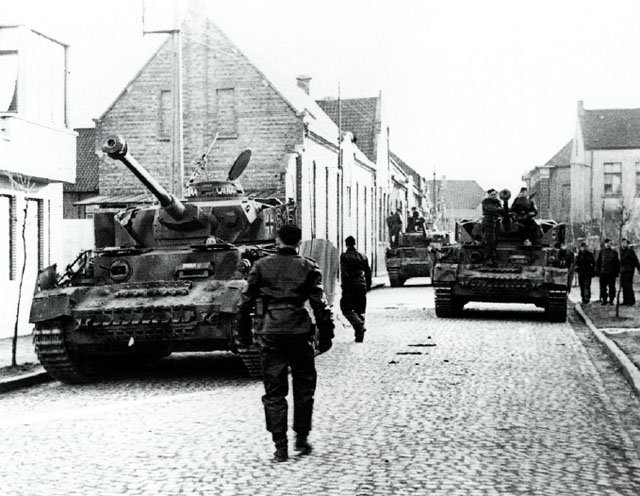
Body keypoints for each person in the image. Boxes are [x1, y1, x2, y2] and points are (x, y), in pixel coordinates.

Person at [236, 224, 335, 462]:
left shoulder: (261, 266)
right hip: (300, 331)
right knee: (304, 387)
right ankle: (301, 438)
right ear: (299, 243)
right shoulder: (308, 266)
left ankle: (280, 446)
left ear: (278, 241)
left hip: (270, 332)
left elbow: (245, 303)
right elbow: (320, 305)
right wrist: (327, 334)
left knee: (274, 390)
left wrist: (244, 335)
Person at [340, 236, 372, 343]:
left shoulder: (345, 256)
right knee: (360, 309)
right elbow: (368, 272)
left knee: (346, 308)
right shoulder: (362, 256)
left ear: (346, 244)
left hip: (350, 284)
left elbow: (344, 273)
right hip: (361, 284)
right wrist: (368, 285)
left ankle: (358, 326)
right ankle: (359, 335)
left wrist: (344, 287)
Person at [481, 188, 503, 265]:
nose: (494, 196)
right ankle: (488, 258)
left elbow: (502, 211)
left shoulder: (497, 202)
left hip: (496, 223)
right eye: (492, 195)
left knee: (495, 240)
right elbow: (491, 209)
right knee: (489, 240)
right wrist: (498, 210)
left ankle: (494, 257)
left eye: (495, 194)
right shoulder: (486, 202)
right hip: (488, 222)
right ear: (489, 195)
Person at [595, 238, 620, 305]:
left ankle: (611, 300)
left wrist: (617, 272)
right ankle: (604, 300)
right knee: (603, 287)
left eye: (610, 243)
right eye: (608, 243)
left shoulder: (614, 252)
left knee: (612, 287)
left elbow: (617, 263)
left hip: (612, 273)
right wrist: (597, 271)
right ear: (605, 244)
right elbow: (598, 262)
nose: (609, 245)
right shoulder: (601, 252)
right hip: (603, 273)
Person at [619, 238, 640, 305]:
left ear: (627, 244)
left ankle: (631, 301)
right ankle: (625, 301)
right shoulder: (621, 251)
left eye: (625, 243)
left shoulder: (630, 251)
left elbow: (635, 260)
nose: (623, 244)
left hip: (629, 270)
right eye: (622, 242)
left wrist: (639, 269)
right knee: (623, 285)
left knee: (628, 285)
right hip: (622, 270)